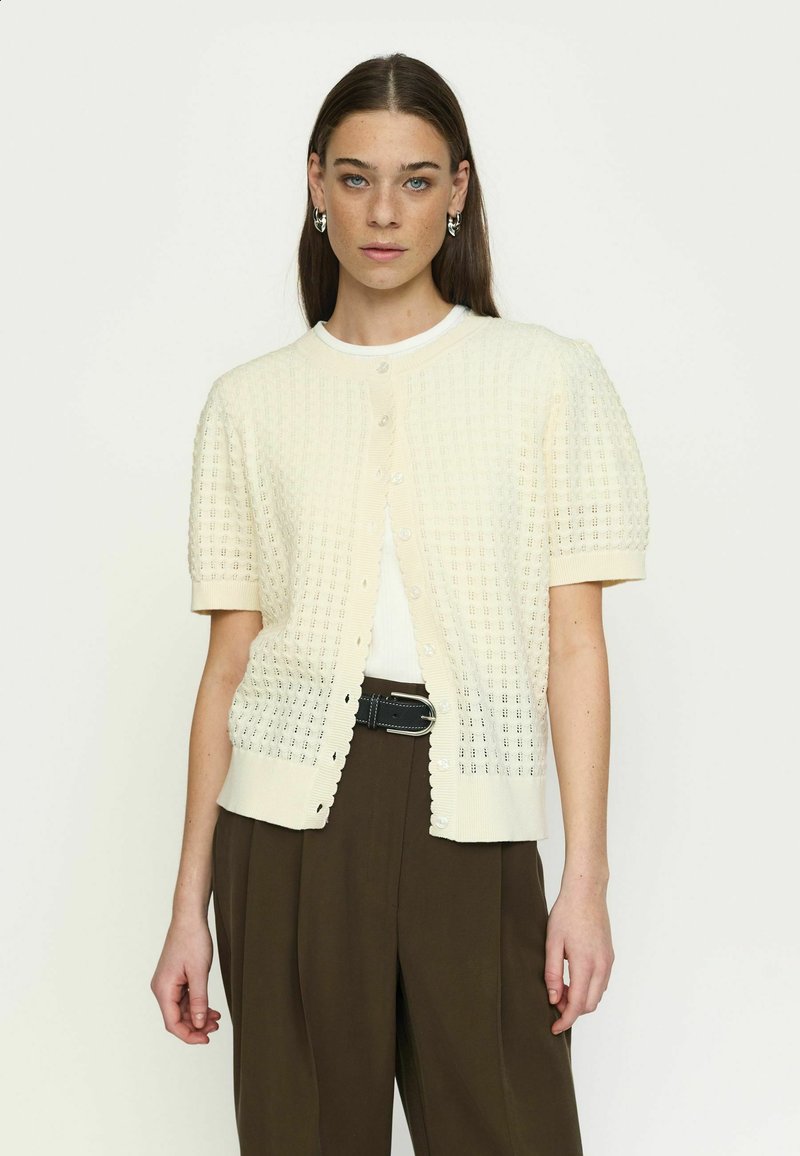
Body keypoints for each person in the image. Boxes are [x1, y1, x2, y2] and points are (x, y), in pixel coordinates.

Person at [150, 51, 649, 1156]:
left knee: (510, 1131)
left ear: (457, 189)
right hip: (285, 826)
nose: (384, 212)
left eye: (417, 180)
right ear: (316, 184)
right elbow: (228, 666)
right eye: (356, 177)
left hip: (470, 813)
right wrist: (188, 908)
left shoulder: (547, 378)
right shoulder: (249, 404)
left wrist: (584, 880)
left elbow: (574, 646)